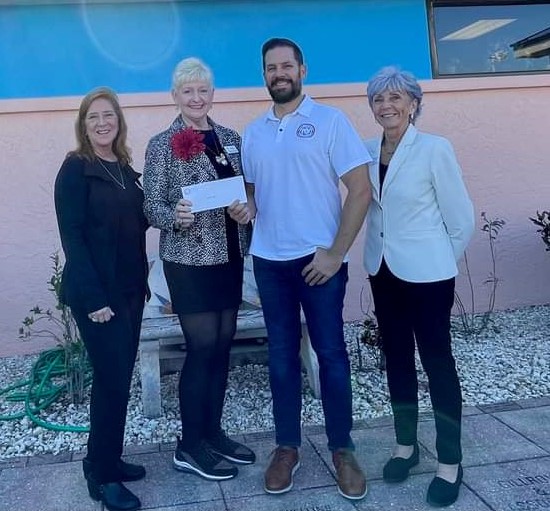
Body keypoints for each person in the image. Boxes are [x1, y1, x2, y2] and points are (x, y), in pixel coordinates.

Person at [237, 37, 372, 501]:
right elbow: (254, 194)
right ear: (264, 75)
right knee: (280, 358)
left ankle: (342, 448)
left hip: (320, 263)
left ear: (303, 70)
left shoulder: (331, 121)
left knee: (331, 355)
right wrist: (244, 208)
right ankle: (287, 447)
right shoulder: (252, 132)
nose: (280, 73)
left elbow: (360, 189)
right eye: (271, 67)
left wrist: (335, 253)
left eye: (287, 66)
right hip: (270, 263)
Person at [363, 66, 475, 507]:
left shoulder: (434, 149)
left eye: (395, 97)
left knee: (437, 362)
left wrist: (439, 260)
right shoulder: (368, 151)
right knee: (396, 360)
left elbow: (461, 218)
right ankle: (405, 447)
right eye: (378, 99)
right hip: (383, 271)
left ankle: (450, 461)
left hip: (428, 276)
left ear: (413, 104)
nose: (386, 105)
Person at [142, 57, 255, 482]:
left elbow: (242, 192)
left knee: (223, 346)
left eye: (202, 90)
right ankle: (189, 446)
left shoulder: (230, 138)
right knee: (202, 348)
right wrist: (176, 216)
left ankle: (213, 433)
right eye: (187, 91)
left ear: (212, 93)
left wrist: (246, 211)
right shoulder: (161, 143)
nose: (196, 98)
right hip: (189, 262)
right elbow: (151, 205)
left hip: (229, 255)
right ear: (175, 96)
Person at [54, 87, 148, 511]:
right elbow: (72, 235)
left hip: (130, 291)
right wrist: (93, 298)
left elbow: (140, 221)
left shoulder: (124, 168)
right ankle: (104, 478)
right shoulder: (75, 169)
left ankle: (103, 459)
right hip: (99, 296)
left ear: (119, 121)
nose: (102, 123)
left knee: (119, 380)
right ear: (83, 124)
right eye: (93, 117)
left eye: (108, 115)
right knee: (112, 382)